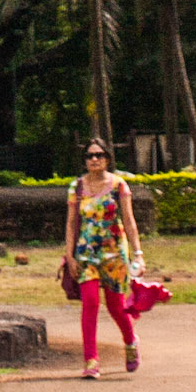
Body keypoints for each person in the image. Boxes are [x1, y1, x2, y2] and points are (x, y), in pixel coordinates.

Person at [64, 138, 143, 379]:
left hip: (114, 253)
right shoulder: (76, 187)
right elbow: (70, 223)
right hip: (86, 253)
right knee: (90, 303)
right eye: (89, 156)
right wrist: (70, 256)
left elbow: (129, 221)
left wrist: (137, 254)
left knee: (116, 306)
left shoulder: (119, 186)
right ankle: (91, 360)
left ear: (107, 158)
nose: (94, 159)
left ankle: (130, 341)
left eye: (99, 155)